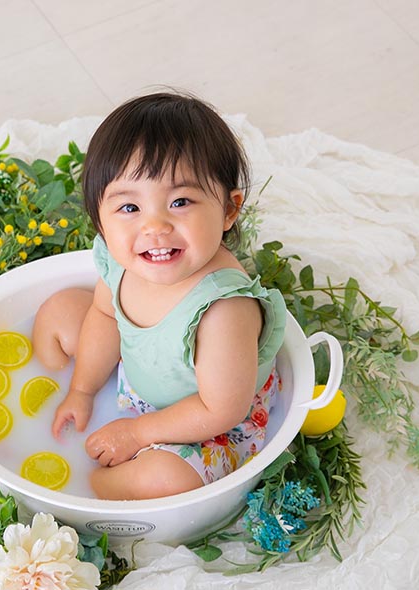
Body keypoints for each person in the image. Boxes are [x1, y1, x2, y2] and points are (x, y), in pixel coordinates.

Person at [31, 91, 286, 500]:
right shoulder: (122, 260)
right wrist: (81, 390)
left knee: (166, 480)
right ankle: (57, 394)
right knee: (62, 309)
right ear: (100, 219)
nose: (155, 227)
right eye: (129, 208)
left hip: (206, 423)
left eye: (180, 202)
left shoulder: (223, 309)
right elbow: (105, 316)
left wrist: (137, 433)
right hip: (141, 373)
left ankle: (89, 490)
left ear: (228, 209)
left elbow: (221, 409)